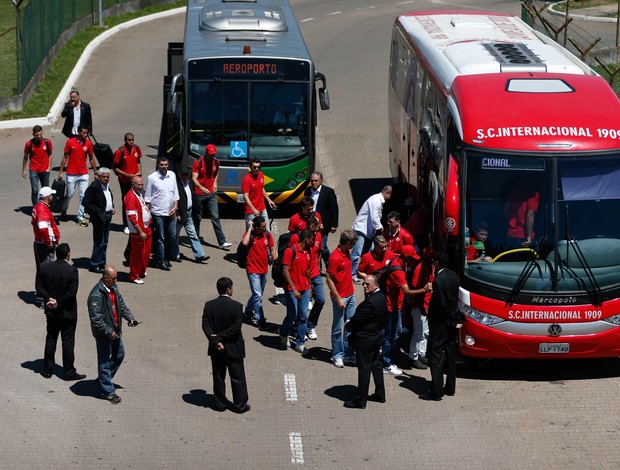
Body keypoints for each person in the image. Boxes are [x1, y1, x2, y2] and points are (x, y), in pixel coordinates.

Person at [87, 266, 139, 404]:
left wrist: (130, 318)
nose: (116, 280)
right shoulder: (96, 295)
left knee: (119, 355)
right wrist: (109, 332)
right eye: (113, 278)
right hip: (105, 334)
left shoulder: (113, 288)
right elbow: (96, 320)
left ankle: (103, 380)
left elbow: (121, 305)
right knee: (104, 361)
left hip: (115, 331)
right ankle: (107, 391)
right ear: (105, 278)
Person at [35, 243, 85, 381]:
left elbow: (39, 287)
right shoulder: (72, 271)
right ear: (68, 254)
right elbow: (72, 293)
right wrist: (58, 302)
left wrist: (49, 299)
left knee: (51, 338)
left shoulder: (45, 268)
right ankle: (69, 372)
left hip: (51, 311)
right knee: (67, 342)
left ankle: (47, 369)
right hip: (67, 312)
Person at [202, 277, 250, 413]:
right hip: (234, 347)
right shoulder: (236, 306)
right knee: (238, 377)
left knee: (218, 376)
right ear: (228, 289)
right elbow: (236, 328)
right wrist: (221, 337)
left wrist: (216, 341)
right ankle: (240, 405)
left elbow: (206, 326)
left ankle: (220, 404)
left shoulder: (209, 305)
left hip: (216, 348)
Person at [381, 245, 429, 376]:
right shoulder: (398, 271)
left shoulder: (398, 262)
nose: (414, 260)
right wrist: (423, 290)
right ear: (406, 257)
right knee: (389, 335)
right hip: (391, 307)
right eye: (412, 257)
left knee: (396, 333)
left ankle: (387, 358)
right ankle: (385, 363)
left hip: (397, 306)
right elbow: (407, 291)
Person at [343, 275, 386, 409]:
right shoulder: (382, 298)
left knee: (364, 370)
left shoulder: (370, 302)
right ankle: (380, 394)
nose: (364, 286)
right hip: (376, 337)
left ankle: (360, 400)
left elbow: (357, 320)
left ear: (376, 285)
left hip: (366, 341)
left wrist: (348, 325)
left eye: (368, 284)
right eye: (363, 284)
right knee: (376, 365)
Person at [421, 251, 460, 401]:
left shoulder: (438, 281)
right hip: (451, 322)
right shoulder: (453, 275)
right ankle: (450, 387)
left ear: (437, 263)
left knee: (436, 356)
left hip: (440, 324)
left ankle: (436, 392)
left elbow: (441, 304)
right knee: (450, 354)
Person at [279, 228, 314, 356]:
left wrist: (310, 285)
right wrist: (293, 288)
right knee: (292, 315)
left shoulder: (308, 251)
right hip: (291, 289)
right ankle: (283, 333)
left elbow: (308, 270)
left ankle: (300, 343)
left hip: (304, 288)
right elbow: (285, 271)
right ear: (306, 239)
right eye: (311, 239)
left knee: (303, 316)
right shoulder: (290, 251)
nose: (313, 242)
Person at [326, 229, 358, 368]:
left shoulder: (346, 252)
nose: (354, 246)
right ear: (349, 243)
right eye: (353, 243)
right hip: (341, 297)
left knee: (350, 326)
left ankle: (349, 353)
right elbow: (329, 279)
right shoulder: (335, 257)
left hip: (350, 295)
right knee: (338, 328)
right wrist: (338, 298)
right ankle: (337, 355)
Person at [289, 217, 325, 341]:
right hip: (302, 276)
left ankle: (310, 325)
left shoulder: (318, 236)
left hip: (315, 274)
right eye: (313, 231)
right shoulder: (296, 238)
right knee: (301, 308)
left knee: (320, 300)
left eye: (317, 231)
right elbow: (290, 256)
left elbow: (319, 253)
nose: (315, 234)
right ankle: (299, 329)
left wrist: (318, 267)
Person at [191, 144, 232, 250]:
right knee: (197, 218)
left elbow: (217, 172)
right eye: (210, 154)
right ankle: (195, 239)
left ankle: (222, 242)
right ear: (206, 153)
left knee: (215, 217)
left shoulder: (216, 162)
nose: (212, 156)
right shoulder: (198, 162)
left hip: (211, 194)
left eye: (213, 154)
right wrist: (201, 187)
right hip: (199, 194)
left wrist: (215, 183)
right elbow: (194, 178)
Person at [351, 185, 392, 283]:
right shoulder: (376, 201)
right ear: (387, 193)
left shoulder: (377, 200)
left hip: (368, 231)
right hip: (362, 230)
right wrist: (380, 228)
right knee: (356, 253)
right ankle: (352, 274)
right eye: (390, 195)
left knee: (369, 252)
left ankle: (368, 272)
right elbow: (374, 218)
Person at [241, 216, 276, 330]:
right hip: (252, 270)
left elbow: (272, 248)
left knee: (258, 294)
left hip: (264, 270)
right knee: (257, 295)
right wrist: (250, 227)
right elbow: (244, 243)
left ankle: (248, 310)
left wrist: (276, 262)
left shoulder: (267, 235)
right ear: (256, 228)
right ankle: (260, 319)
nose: (265, 228)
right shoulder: (250, 236)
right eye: (263, 227)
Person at [144, 157, 179, 271]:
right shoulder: (152, 178)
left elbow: (175, 194)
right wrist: (147, 213)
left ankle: (167, 258)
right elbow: (148, 197)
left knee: (172, 236)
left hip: (171, 212)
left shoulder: (172, 175)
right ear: (158, 165)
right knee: (160, 238)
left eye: (166, 164)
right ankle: (160, 260)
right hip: (158, 212)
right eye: (162, 164)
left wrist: (175, 207)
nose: (164, 166)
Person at [58, 125, 97, 226]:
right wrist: (61, 172)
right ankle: (64, 210)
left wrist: (95, 172)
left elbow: (91, 158)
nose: (85, 135)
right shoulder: (70, 142)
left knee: (83, 196)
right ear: (78, 132)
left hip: (83, 174)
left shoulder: (88, 144)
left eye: (87, 133)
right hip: (71, 173)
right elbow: (65, 157)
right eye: (84, 133)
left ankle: (80, 217)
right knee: (69, 194)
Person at [82, 168, 114, 273]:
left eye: (107, 177)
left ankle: (102, 263)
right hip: (99, 217)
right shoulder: (94, 186)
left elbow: (108, 198)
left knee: (105, 241)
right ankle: (95, 264)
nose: (106, 179)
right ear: (99, 177)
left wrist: (111, 207)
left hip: (108, 215)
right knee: (99, 241)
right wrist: (98, 212)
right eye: (104, 177)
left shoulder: (106, 186)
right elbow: (86, 202)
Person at [408, 246, 435, 370]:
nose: (432, 259)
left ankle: (422, 354)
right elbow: (413, 289)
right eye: (430, 257)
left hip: (426, 306)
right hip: (419, 306)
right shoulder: (420, 269)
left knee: (425, 332)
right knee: (418, 333)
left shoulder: (430, 266)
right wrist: (421, 307)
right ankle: (413, 357)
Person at [304, 171, 339, 266]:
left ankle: (330, 264)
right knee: (312, 245)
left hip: (323, 224)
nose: (313, 183)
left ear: (321, 181)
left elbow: (334, 208)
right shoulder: (307, 190)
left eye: (316, 181)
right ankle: (315, 266)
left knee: (322, 246)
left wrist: (334, 224)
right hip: (310, 224)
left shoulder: (328, 192)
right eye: (312, 181)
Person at [176, 169, 209, 263]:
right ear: (179, 174)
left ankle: (199, 255)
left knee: (193, 234)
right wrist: (177, 213)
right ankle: (175, 255)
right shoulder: (176, 184)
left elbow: (192, 197)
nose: (184, 177)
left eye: (186, 175)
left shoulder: (190, 182)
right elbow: (172, 200)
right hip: (179, 215)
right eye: (183, 175)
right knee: (175, 237)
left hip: (188, 213)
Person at [112, 132, 142, 234]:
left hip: (135, 180)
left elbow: (138, 161)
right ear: (125, 140)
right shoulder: (120, 152)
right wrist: (126, 175)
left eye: (132, 140)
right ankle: (126, 224)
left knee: (137, 200)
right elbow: (115, 168)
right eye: (129, 140)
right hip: (124, 181)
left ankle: (137, 222)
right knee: (126, 202)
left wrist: (140, 170)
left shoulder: (136, 148)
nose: (131, 142)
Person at [124, 176, 152, 284]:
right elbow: (131, 217)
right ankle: (134, 276)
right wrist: (140, 231)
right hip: (138, 231)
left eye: (141, 185)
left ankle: (141, 271)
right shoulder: (130, 197)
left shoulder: (139, 194)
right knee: (137, 254)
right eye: (138, 185)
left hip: (146, 227)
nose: (140, 187)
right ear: (133, 184)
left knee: (146, 252)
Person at [32, 186, 60, 277]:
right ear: (49, 197)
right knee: (47, 271)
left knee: (41, 270)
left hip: (40, 243)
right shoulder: (42, 210)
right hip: (44, 245)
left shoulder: (38, 207)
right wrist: (49, 243)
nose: (53, 196)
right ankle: (45, 290)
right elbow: (43, 229)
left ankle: (41, 289)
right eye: (52, 195)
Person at [241, 158, 276, 230]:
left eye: (258, 167)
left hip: (262, 208)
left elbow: (261, 188)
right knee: (251, 232)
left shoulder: (261, 174)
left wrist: (269, 200)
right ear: (250, 167)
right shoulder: (246, 180)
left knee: (267, 230)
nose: (257, 169)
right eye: (254, 167)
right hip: (251, 211)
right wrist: (253, 209)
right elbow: (246, 196)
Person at [23, 125, 53, 207]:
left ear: (42, 132)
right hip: (34, 170)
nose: (39, 136)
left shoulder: (47, 142)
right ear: (33, 134)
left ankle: (45, 207)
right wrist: (24, 170)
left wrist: (49, 167)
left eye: (41, 134)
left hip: (45, 170)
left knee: (46, 190)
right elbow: (25, 157)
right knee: (35, 190)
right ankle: (36, 208)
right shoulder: (29, 144)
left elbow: (50, 155)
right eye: (37, 135)